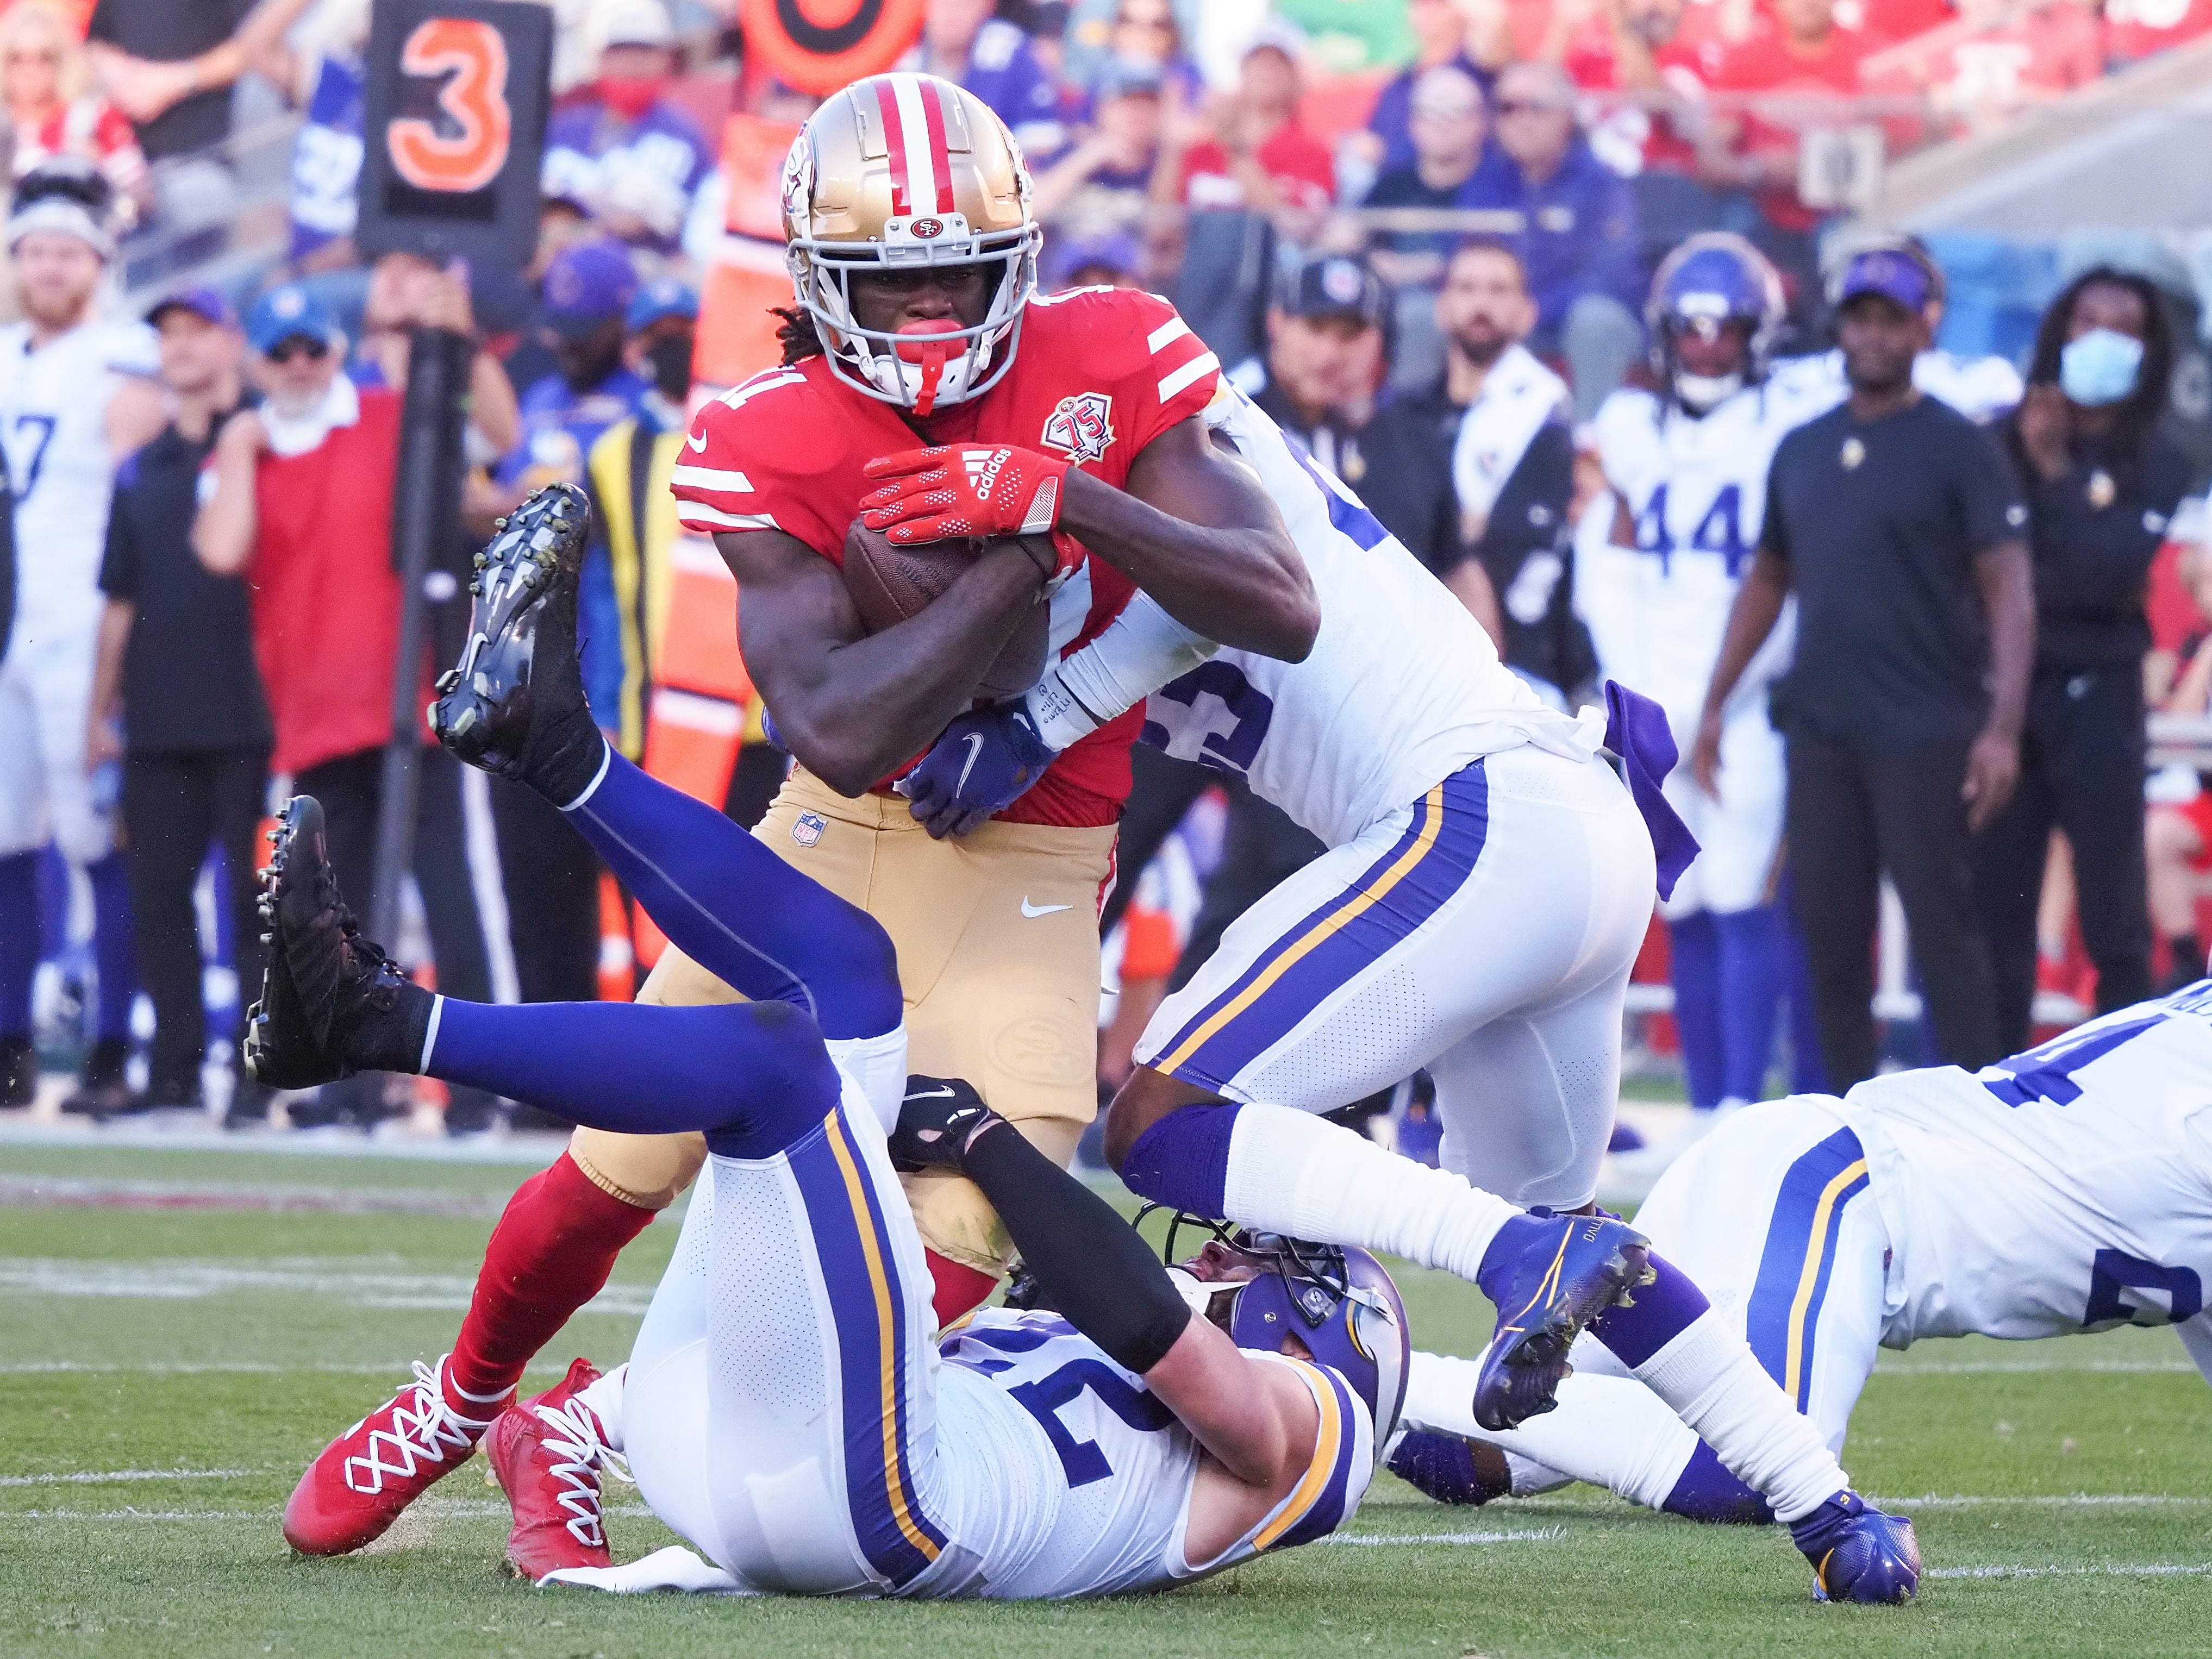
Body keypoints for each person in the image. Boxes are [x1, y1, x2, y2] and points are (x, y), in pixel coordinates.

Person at [272, 483, 1912, 1605]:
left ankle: (399, 986)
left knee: (869, 1074)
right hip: (787, 1476)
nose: (1247, 1262)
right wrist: (1804, 1496)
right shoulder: (1280, 1374)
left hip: (883, 1512)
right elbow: (1115, 1314)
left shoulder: (1308, 1437)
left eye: (1286, 1268)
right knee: (814, 1004)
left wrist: (990, 1143)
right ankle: (462, 946)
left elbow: (1155, 1328)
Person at [278, 72, 1319, 1556]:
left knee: (959, 1237)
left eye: (959, 274)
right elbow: (831, 725)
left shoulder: (1108, 349)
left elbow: (1279, 604)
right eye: (893, 288)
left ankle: (580, 1418)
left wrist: (1063, 493)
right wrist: (1014, 560)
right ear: (821, 288)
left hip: (1037, 866)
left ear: (1013, 262)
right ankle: (460, 1394)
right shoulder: (767, 433)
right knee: (620, 1164)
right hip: (837, 839)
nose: (933, 315)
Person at [885, 377, 1921, 1607]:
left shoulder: (1187, 474)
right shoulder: (1135, 517)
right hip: (1571, 836)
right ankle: (1829, 1510)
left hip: (1480, 815)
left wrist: (1041, 700)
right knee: (1565, 1304)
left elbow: (1239, 592)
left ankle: (1510, 1252)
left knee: (1162, 1122)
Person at [1392, 984, 2212, 1525]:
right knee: (1761, 1470)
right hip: (1839, 1191)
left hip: (1796, 1170)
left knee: (1484, 1457)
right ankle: (1375, 1360)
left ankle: (1327, 1370)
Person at [1691, 243, 2034, 1090]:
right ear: (1838, 326)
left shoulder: (1960, 447)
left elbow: (2009, 589)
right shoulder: (1802, 447)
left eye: (1891, 319)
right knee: (1828, 933)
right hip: (1823, 727)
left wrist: (2001, 729)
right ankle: (1845, 1119)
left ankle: (1974, 1116)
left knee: (1941, 928)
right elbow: (1769, 577)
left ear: (1925, 327)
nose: (1873, 336)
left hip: (1927, 726)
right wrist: (1712, 701)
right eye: (1860, 317)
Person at [192, 283, 495, 1129]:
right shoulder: (247, 448)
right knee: (339, 914)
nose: (296, 367)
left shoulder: (389, 412)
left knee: (448, 893)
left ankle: (475, 1089)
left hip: (409, 701)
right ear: (257, 360)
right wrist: (244, 447)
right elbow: (220, 549)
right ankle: (360, 1084)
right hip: (314, 710)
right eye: (280, 352)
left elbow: (492, 433)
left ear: (335, 351)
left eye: (310, 350)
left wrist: (456, 335)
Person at [1578, 235, 1831, 1136]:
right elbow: (1606, 573)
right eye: (1692, 327)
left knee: (1744, 895)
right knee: (1683, 899)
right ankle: (1706, 1105)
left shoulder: (1792, 418)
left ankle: (1738, 1111)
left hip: (1751, 701)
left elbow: (1788, 582)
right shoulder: (1632, 429)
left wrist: (1719, 701)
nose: (1708, 345)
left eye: (1728, 328)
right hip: (1662, 701)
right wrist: (1642, 704)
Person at [1974, 268, 2192, 1050]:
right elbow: (1989, 571)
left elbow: (2106, 574)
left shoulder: (2156, 458)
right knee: (1997, 912)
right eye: (2086, 319)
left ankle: (2116, 1089)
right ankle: (1989, 1094)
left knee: (2115, 920)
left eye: (2123, 326)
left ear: (2147, 348)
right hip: (2006, 699)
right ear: (2059, 330)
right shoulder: (1996, 440)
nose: (2101, 338)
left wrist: (2057, 474)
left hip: (2099, 696)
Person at [0, 162, 166, 1113]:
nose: (50, 267)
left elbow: (136, 488)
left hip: (80, 618)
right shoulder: (11, 351)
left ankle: (110, 1044)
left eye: (68, 252)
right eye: (35, 251)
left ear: (97, 262)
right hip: (11, 618)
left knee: (96, 834)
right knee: (9, 838)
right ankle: (12, 1044)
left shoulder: (124, 352)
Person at [86, 286, 268, 1118]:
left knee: (258, 903)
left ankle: (259, 1076)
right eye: (170, 334)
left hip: (257, 712)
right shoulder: (145, 465)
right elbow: (118, 595)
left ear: (233, 340)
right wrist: (100, 710)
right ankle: (174, 1069)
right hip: (159, 714)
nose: (182, 347)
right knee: (159, 895)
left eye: (199, 330)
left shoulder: (272, 443)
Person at [1349, 239, 1540, 645]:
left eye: (1497, 290)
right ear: (1442, 307)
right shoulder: (1401, 417)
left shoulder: (1548, 417)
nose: (1481, 305)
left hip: (1521, 640)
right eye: (1467, 288)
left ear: (1527, 314)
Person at [1471, 60, 1643, 420]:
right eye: (1508, 108)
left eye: (1537, 107)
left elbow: (1612, 274)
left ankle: (1590, 444)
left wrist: (1536, 308)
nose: (1522, 119)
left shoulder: (1600, 182)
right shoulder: (1486, 181)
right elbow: (1465, 253)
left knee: (1597, 321)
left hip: (1567, 318)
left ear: (1567, 114)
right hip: (1505, 311)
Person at [540, 0, 710, 256]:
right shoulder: (563, 130)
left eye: (644, 51)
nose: (633, 63)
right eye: (621, 51)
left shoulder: (684, 138)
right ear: (599, 58)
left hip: (645, 268)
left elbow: (649, 223)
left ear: (665, 59)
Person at [1157, 30, 1335, 243]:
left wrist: (1236, 152)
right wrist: (1172, 151)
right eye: (1257, 61)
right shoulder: (1202, 150)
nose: (1266, 71)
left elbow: (1295, 231)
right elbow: (1159, 231)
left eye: (1278, 63)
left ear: (1294, 76)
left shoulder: (1312, 153)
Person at [1227, 253, 1389, 481]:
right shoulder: (1233, 407)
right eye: (1316, 329)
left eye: (1349, 336)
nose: (1330, 354)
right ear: (1277, 323)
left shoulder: (1369, 423)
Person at [1361, 64, 1498, 310]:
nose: (1443, 125)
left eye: (1457, 113)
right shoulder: (1392, 185)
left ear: (1481, 122)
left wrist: (1415, 268)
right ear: (1413, 123)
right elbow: (1351, 238)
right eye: (1430, 113)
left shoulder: (1499, 187)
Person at [1, 0, 146, 214]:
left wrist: (99, 175)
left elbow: (141, 200)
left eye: (44, 57)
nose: (30, 69)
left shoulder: (93, 117)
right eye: (17, 58)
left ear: (63, 61)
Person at [1358, 0, 1507, 182]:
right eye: (1422, 4)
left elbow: (1495, 24)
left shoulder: (1480, 70)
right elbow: (1374, 144)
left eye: (1439, 4)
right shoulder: (1398, 84)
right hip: (1404, 196)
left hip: (1469, 194)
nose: (1429, 12)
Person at [909, 0, 1070, 160]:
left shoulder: (1008, 50)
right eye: (943, 3)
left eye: (964, 4)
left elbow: (1041, 145)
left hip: (996, 177)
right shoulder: (900, 48)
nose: (951, 13)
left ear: (987, 6)